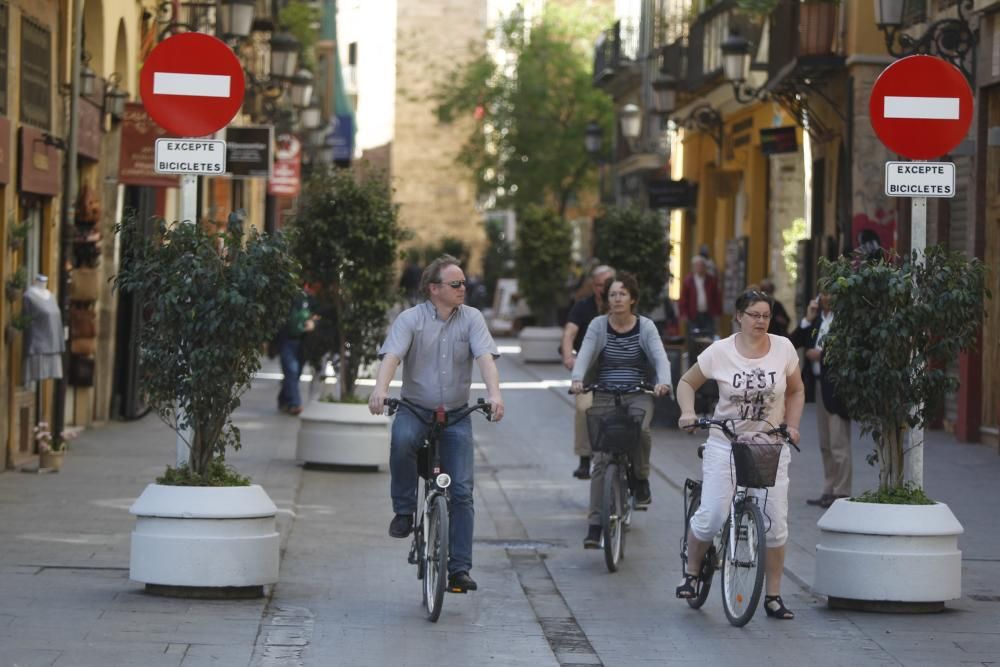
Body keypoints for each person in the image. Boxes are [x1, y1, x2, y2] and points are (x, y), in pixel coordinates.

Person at [368, 254, 505, 594]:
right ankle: (403, 511)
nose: (464, 289)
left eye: (464, 284)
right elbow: (392, 357)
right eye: (456, 284)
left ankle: (459, 569)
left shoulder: (472, 319)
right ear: (434, 289)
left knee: (461, 492)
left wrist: (495, 394)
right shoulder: (410, 320)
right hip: (415, 408)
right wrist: (380, 390)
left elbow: (485, 358)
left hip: (456, 414)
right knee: (401, 442)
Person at [675, 288, 804, 620]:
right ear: (739, 317)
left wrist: (792, 424)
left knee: (775, 526)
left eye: (765, 315)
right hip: (725, 442)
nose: (760, 321)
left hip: (769, 443)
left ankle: (773, 596)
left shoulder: (784, 348)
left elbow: (797, 389)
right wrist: (687, 412)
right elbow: (687, 383)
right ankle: (691, 572)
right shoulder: (719, 351)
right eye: (754, 315)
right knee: (713, 514)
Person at [571, 273, 673, 549]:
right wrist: (577, 379)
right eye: (613, 294)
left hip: (638, 394)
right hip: (604, 393)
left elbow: (660, 357)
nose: (616, 299)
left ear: (633, 299)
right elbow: (584, 352)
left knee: (641, 430)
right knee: (602, 460)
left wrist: (663, 382)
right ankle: (594, 525)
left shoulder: (646, 327)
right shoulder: (598, 325)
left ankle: (640, 478)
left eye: (622, 294)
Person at [790, 292, 852, 508]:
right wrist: (807, 318)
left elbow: (848, 350)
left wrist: (822, 355)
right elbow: (794, 341)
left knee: (838, 442)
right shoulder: (816, 320)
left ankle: (842, 491)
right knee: (825, 444)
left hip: (836, 387)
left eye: (831, 293)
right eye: (823, 294)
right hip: (818, 385)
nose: (826, 298)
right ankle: (829, 488)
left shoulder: (844, 320)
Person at [561, 264, 615, 479]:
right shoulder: (583, 307)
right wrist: (568, 356)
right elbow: (569, 333)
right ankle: (585, 458)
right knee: (584, 408)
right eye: (601, 285)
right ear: (594, 286)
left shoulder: (622, 307)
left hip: (618, 369)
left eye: (608, 285)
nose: (604, 290)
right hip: (588, 369)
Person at [276, 288, 315, 415]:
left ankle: (283, 400)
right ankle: (294, 403)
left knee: (294, 374)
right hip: (286, 340)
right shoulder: (285, 296)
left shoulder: (308, 298)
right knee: (292, 372)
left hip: (302, 341)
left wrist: (313, 322)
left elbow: (317, 313)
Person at [678, 255, 722, 336]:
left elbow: (716, 297)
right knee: (694, 337)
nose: (699, 268)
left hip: (708, 314)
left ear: (705, 267)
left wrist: (717, 312)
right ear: (693, 267)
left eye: (701, 265)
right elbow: (683, 299)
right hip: (693, 315)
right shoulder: (688, 280)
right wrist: (683, 313)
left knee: (709, 335)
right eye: (697, 265)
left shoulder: (711, 280)